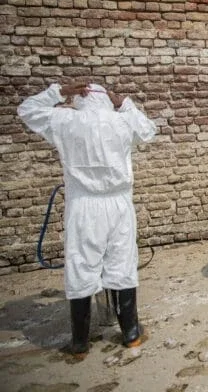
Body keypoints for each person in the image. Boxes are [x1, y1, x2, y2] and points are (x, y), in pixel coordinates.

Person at [17, 82, 157, 359]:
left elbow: (27, 109)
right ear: (106, 100)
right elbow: (148, 129)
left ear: (81, 98)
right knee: (122, 262)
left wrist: (59, 91)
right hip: (118, 204)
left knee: (81, 264)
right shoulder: (121, 121)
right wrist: (125, 103)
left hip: (83, 205)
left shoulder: (66, 120)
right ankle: (130, 334)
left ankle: (80, 341)